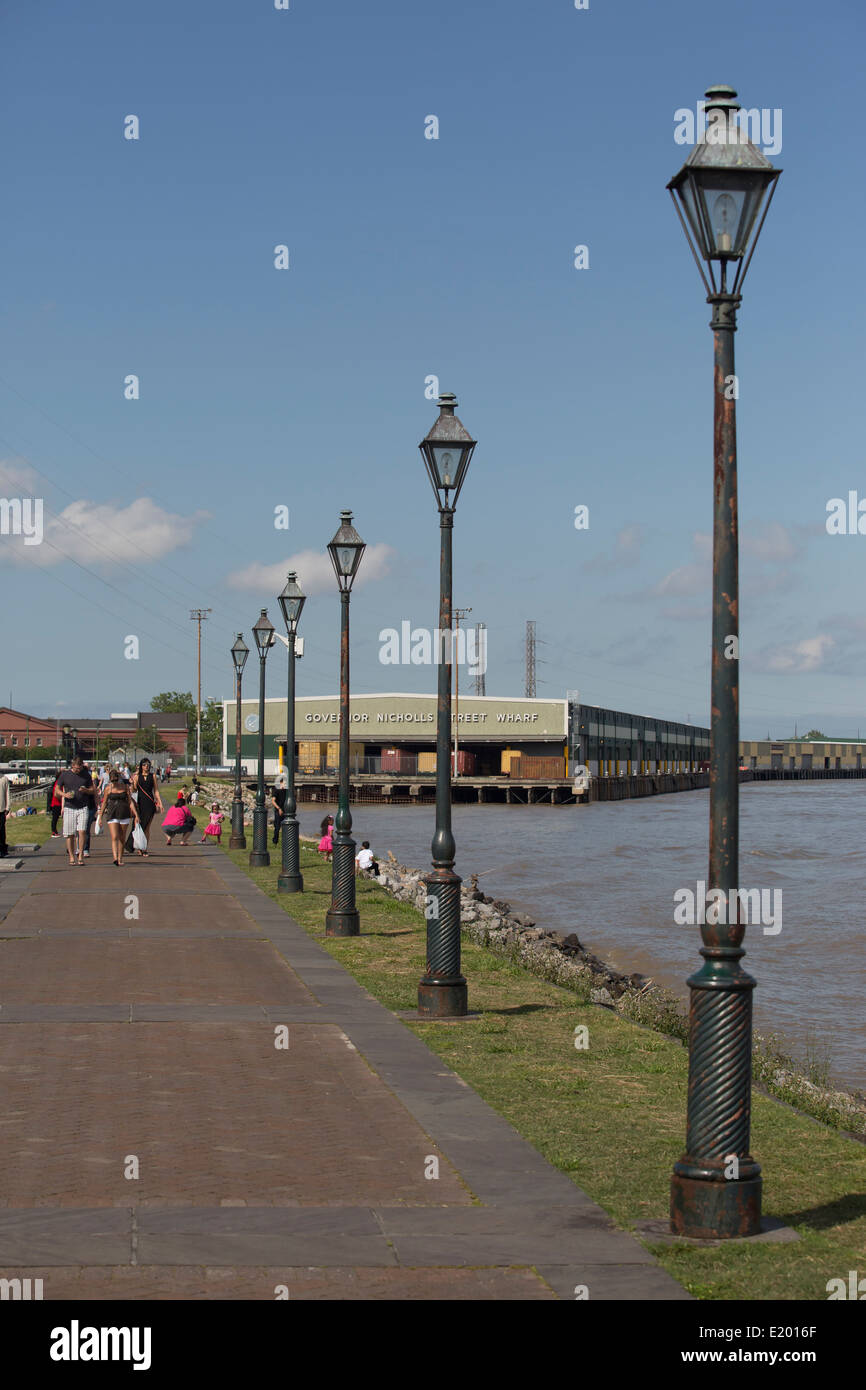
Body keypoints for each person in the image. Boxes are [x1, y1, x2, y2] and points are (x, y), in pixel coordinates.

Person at [56, 754, 98, 866]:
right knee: (69, 834)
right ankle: (71, 856)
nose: (78, 770)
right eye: (76, 768)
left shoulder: (86, 775)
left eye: (80, 768)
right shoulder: (65, 775)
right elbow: (57, 790)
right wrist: (64, 794)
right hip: (69, 807)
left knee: (82, 831)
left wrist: (86, 790)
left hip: (83, 807)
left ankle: (80, 855)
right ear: (72, 766)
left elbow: (93, 790)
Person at [98, 766, 139, 867]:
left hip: (124, 813)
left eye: (116, 781)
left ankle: (120, 858)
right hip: (112, 814)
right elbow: (104, 803)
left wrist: (136, 815)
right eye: (113, 781)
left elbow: (130, 802)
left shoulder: (125, 787)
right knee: (114, 836)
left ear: (118, 778)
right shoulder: (108, 788)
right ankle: (115, 858)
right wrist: (100, 816)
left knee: (122, 837)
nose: (114, 783)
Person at [126, 757, 163, 857]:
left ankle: (144, 848)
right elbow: (133, 790)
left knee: (146, 827)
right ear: (141, 766)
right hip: (140, 803)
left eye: (148, 764)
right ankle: (138, 846)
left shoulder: (153, 776)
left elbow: (156, 790)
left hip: (150, 803)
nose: (146, 766)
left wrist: (160, 802)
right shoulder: (137, 777)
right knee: (138, 825)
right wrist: (133, 782)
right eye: (144, 764)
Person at [270, 778, 287, 846]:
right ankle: (275, 842)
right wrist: (279, 808)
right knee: (277, 827)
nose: (286, 784)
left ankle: (285, 842)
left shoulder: (286, 790)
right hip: (278, 811)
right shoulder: (276, 790)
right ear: (281, 782)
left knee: (286, 827)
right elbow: (273, 801)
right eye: (285, 783)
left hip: (286, 811)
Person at [0, 768, 9, 858]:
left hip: (1, 809)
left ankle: (2, 849)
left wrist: (8, 807)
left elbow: (7, 794)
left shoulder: (4, 779)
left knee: (1, 830)